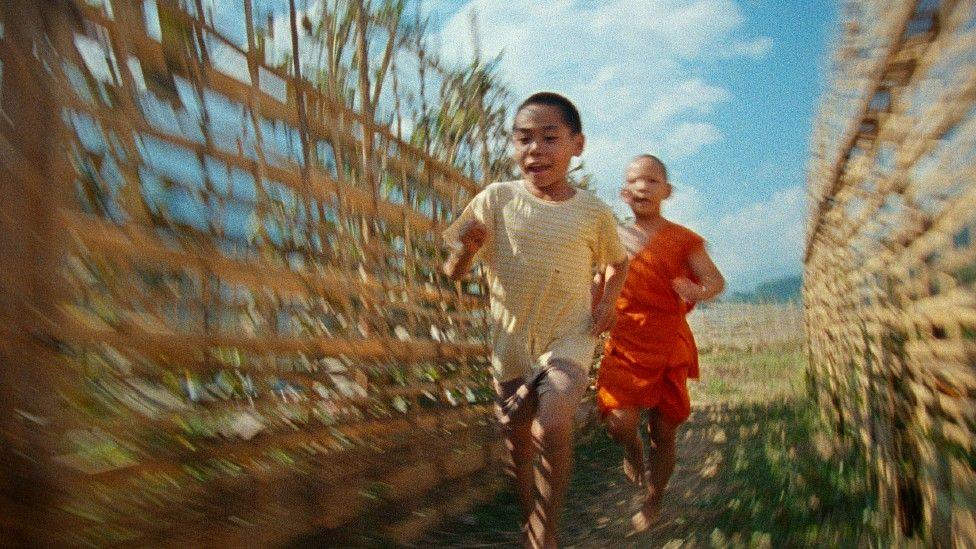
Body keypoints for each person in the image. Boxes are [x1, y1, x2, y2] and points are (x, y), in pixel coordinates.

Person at [442, 92, 629, 549]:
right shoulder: (495, 200)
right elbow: (453, 271)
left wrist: (606, 303)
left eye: (550, 138)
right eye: (524, 139)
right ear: (513, 146)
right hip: (511, 345)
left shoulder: (592, 211)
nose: (535, 150)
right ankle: (529, 513)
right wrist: (467, 249)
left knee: (554, 421)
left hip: (569, 334)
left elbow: (617, 263)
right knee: (517, 442)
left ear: (576, 145)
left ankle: (546, 530)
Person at [593, 154, 725, 531]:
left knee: (663, 431)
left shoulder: (683, 240)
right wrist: (593, 311)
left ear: (666, 191)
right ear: (623, 192)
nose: (642, 187)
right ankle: (631, 450)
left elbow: (716, 282)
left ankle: (654, 499)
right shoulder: (611, 238)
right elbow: (599, 285)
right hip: (626, 339)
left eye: (652, 181)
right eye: (634, 181)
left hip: (668, 339)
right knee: (619, 422)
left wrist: (697, 290)